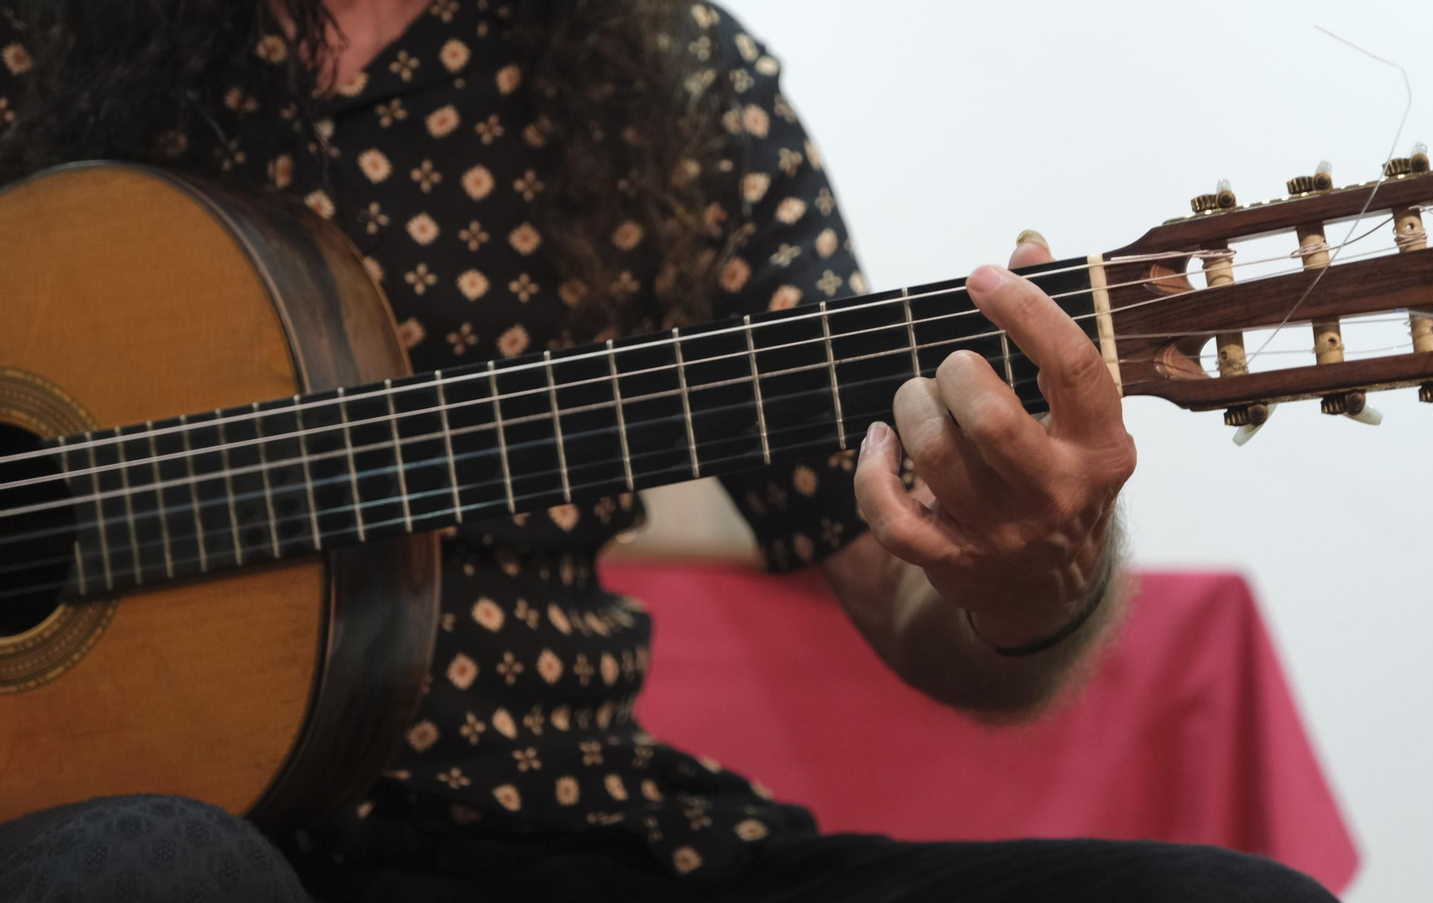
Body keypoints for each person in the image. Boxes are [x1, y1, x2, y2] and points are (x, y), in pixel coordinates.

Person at [0, 2, 1337, 900]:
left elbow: (894, 572)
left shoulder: (671, 74)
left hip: (553, 820)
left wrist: (1035, 580)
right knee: (158, 870)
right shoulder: (39, 35)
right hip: (108, 825)